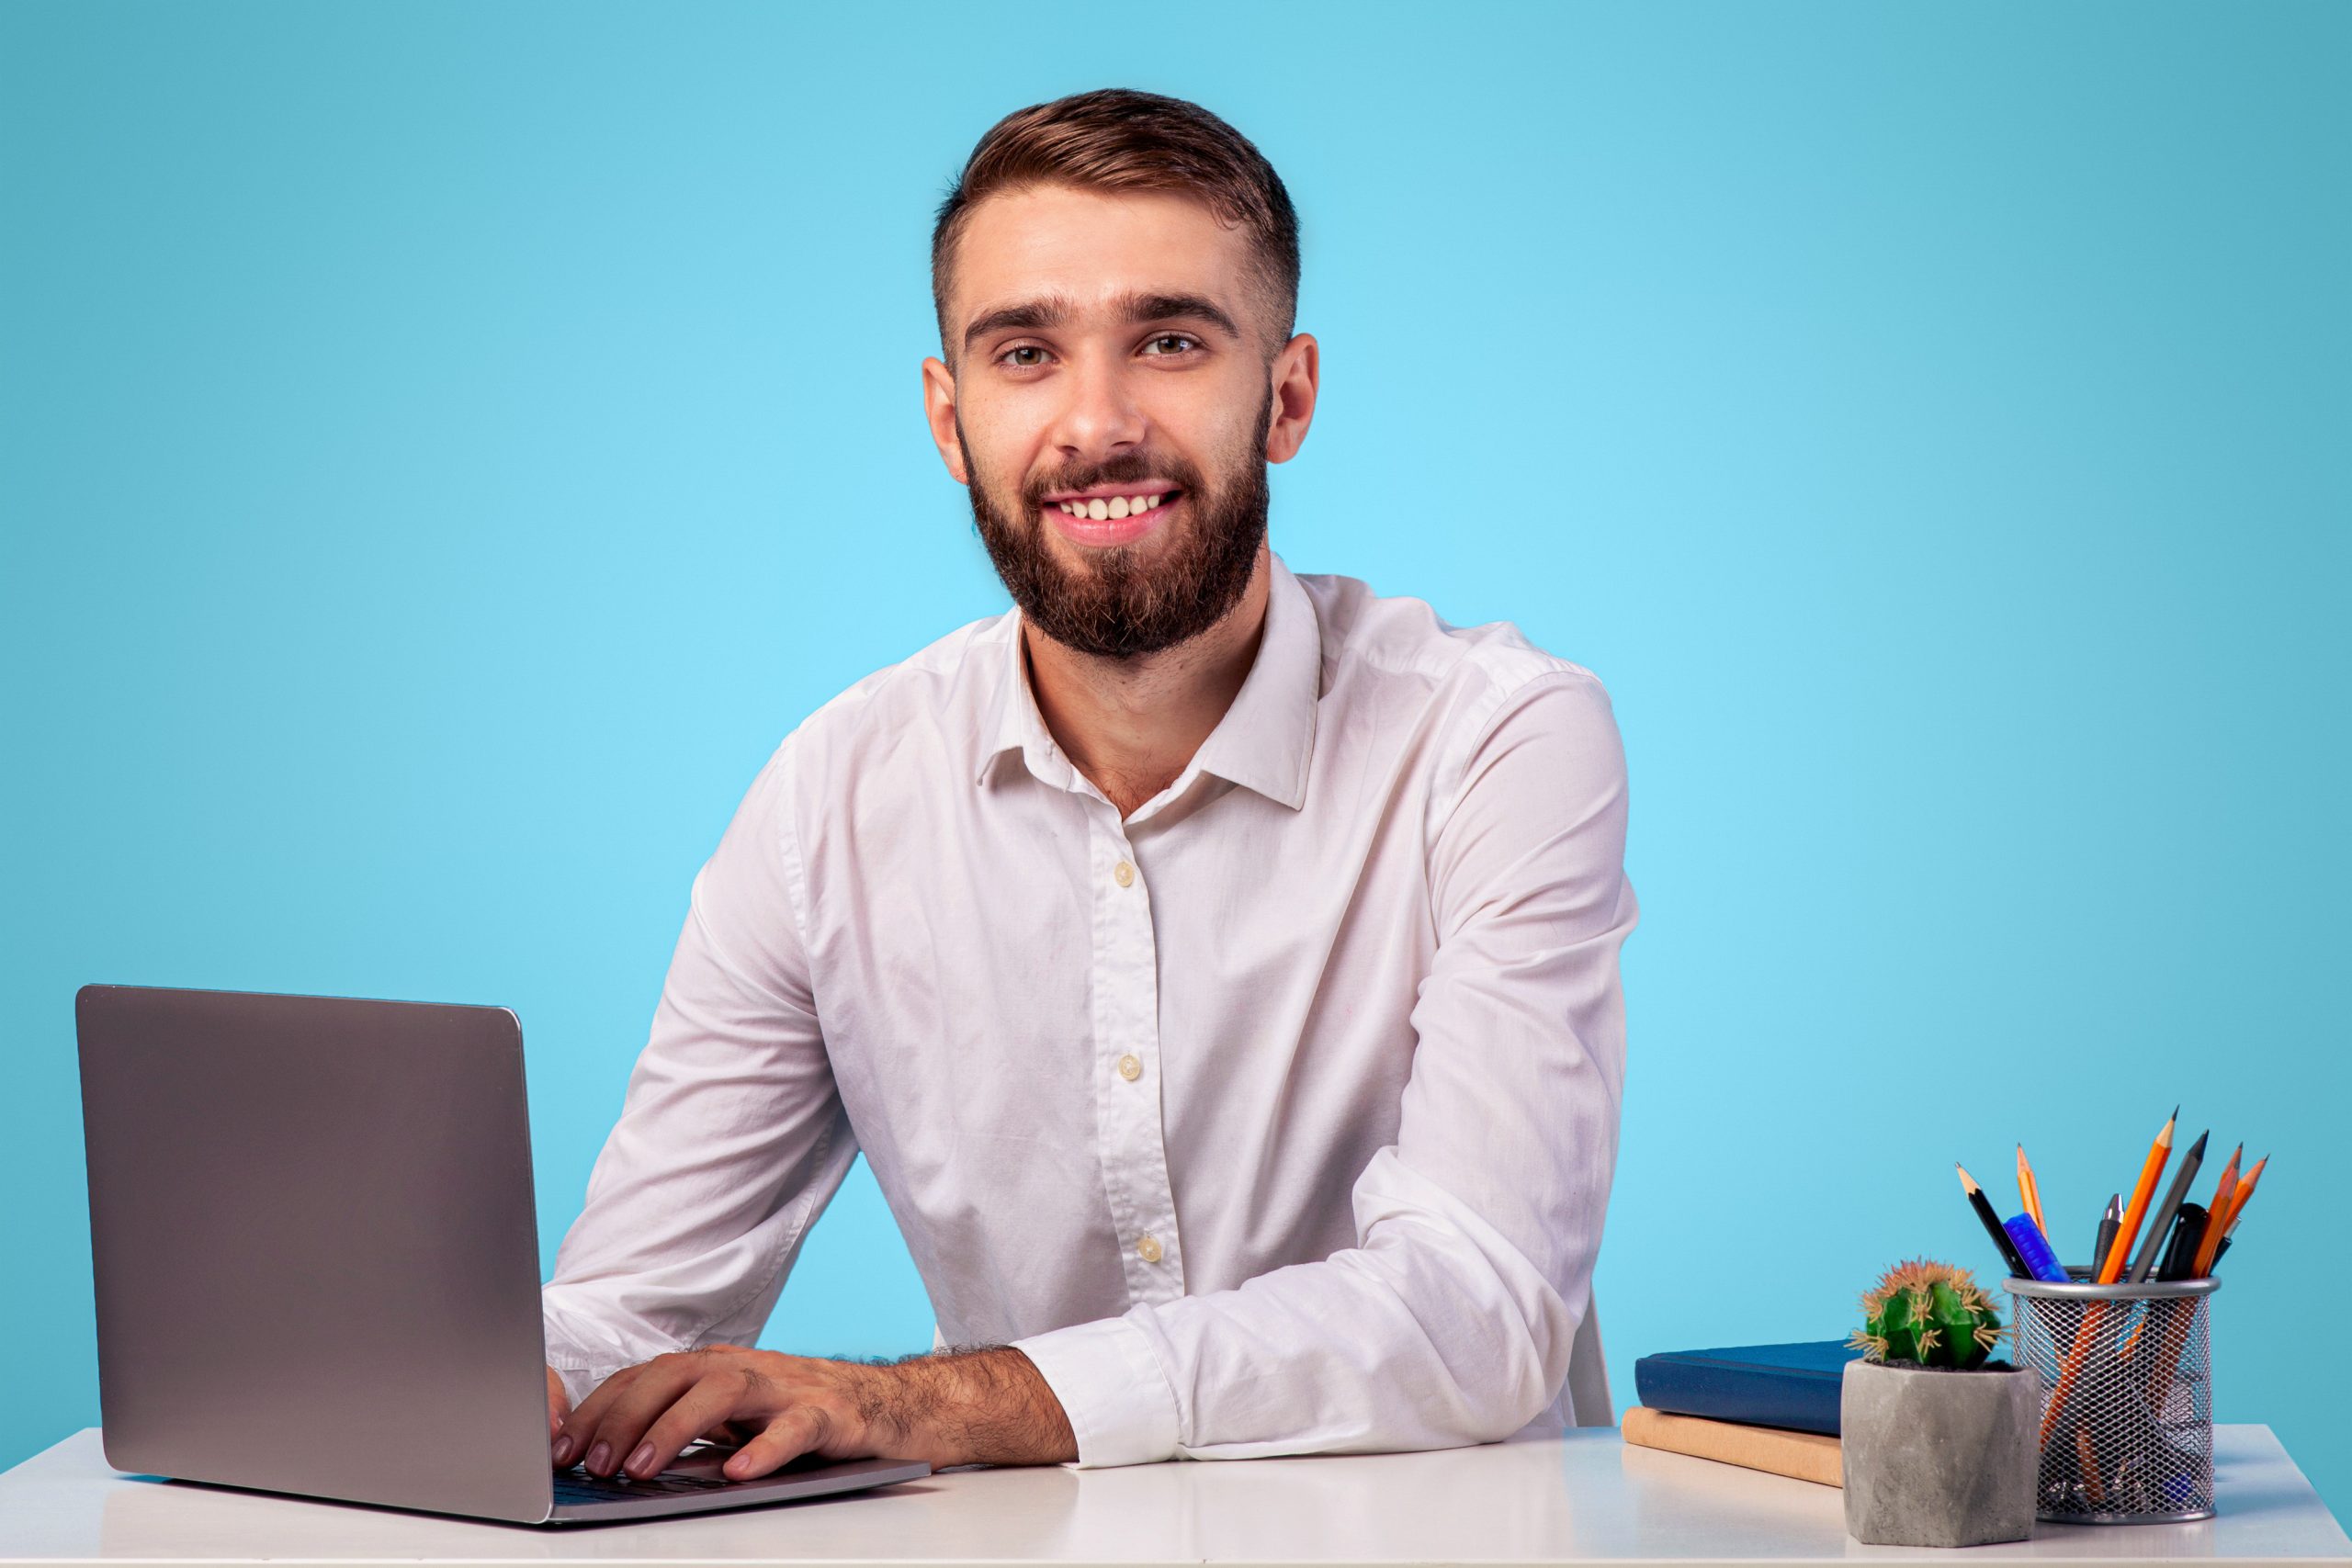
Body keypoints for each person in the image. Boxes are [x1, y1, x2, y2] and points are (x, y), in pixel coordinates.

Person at [541, 86, 1635, 1483]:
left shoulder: (1498, 742)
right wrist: (488, 1370)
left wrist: (927, 1408)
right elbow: (639, 1308)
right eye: (1025, 352)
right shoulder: (831, 799)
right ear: (949, 419)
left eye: (1170, 340)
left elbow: (1478, 1313)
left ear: (1286, 395)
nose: (1096, 421)